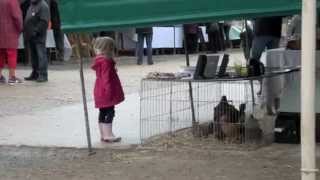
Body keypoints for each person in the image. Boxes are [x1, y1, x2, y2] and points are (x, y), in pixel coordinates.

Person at [92, 37, 124, 143]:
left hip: (99, 90)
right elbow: (106, 78)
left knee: (102, 111)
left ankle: (103, 134)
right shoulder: (106, 62)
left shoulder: (99, 60)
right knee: (110, 111)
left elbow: (102, 74)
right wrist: (109, 91)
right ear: (109, 49)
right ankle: (108, 135)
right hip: (106, 91)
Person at [24, 0, 50, 82]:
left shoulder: (43, 6)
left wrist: (36, 31)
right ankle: (35, 73)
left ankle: (43, 74)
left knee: (41, 55)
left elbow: (44, 22)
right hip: (30, 35)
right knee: (33, 56)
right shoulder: (31, 4)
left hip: (38, 36)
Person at [0, 0, 23, 84]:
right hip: (10, 31)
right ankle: (12, 77)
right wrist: (20, 28)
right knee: (12, 53)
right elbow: (17, 17)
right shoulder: (12, 1)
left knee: (1, 53)